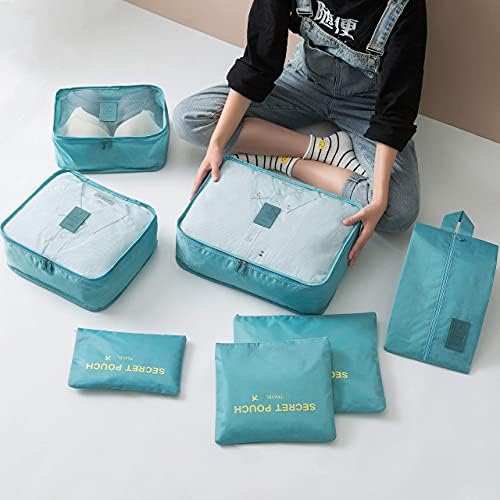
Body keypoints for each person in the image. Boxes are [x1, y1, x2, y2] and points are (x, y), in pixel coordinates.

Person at [173, 0, 427, 264]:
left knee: (398, 212)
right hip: (303, 82)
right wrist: (217, 144)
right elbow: (258, 61)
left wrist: (379, 198)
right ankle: (322, 150)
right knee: (190, 119)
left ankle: (285, 159)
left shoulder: (403, 6)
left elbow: (395, 108)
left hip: (366, 105)